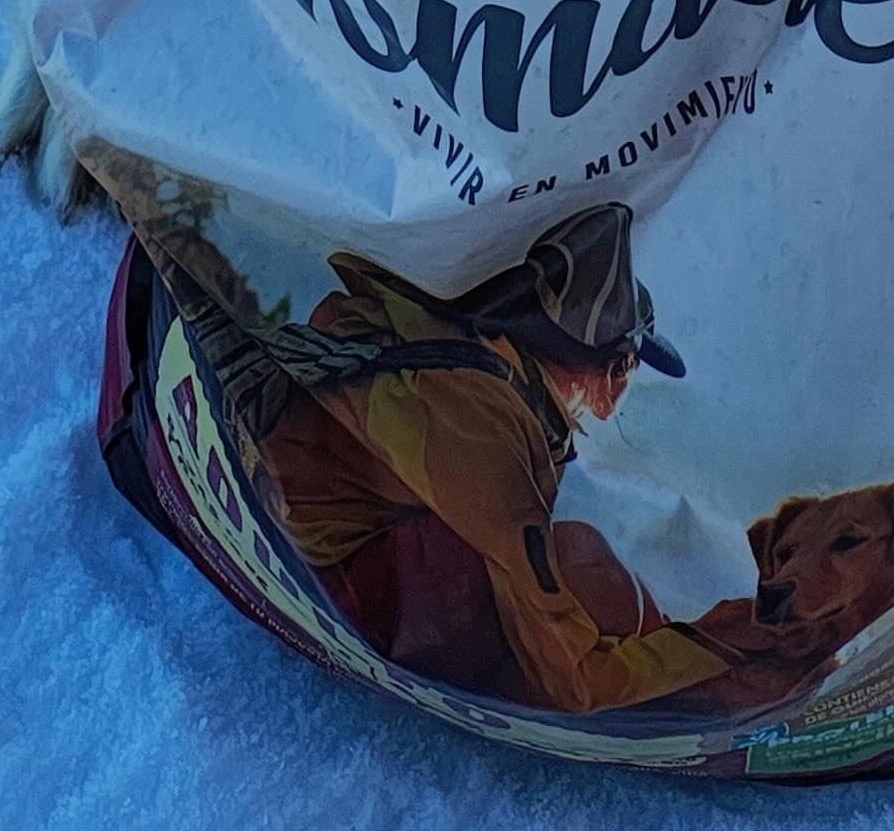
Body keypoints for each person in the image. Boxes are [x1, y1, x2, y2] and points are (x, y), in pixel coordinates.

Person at [253, 204, 733, 713]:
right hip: (336, 596)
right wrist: (721, 652)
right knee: (590, 578)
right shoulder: (484, 418)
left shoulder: (481, 372)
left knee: (580, 568)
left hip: (308, 562)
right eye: (629, 366)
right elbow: (573, 681)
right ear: (616, 366)